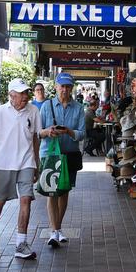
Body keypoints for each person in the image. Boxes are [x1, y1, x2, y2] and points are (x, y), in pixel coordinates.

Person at [0, 78, 41, 260]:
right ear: (11, 95)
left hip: (26, 162)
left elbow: (36, 138)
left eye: (26, 93)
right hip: (4, 163)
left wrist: (36, 162)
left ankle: (21, 243)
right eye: (21, 94)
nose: (25, 96)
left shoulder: (33, 111)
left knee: (26, 199)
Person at [39, 72, 86, 248]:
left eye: (68, 87)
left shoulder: (79, 108)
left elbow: (82, 134)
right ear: (56, 87)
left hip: (69, 155)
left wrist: (69, 131)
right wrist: (48, 131)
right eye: (62, 86)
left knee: (64, 192)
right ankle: (54, 231)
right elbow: (38, 132)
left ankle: (57, 229)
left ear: (72, 88)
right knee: (52, 192)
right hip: (50, 154)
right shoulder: (46, 106)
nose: (64, 90)